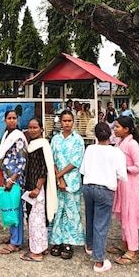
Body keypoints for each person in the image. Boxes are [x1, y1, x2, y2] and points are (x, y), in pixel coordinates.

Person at [80, 122, 128, 273]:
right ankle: (99, 261)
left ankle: (90, 246)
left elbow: (83, 169)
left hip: (88, 186)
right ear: (110, 134)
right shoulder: (117, 152)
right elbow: (121, 174)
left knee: (90, 217)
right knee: (101, 224)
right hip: (105, 188)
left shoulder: (90, 149)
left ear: (95, 135)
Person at [111, 116, 139, 265]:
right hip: (121, 184)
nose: (115, 129)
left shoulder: (132, 144)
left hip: (129, 186)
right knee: (123, 216)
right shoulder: (120, 142)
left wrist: (123, 169)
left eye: (118, 127)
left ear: (127, 129)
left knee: (130, 217)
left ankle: (132, 251)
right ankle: (125, 245)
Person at [20, 118, 58, 262]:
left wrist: (37, 187)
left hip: (37, 189)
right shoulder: (32, 144)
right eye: (30, 127)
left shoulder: (42, 145)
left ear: (41, 129)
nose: (32, 130)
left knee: (36, 220)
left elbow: (44, 168)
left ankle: (36, 253)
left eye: (35, 127)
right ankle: (42, 246)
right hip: (31, 186)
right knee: (37, 218)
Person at [48, 110, 85, 259]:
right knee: (58, 211)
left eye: (69, 121)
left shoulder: (78, 140)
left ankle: (69, 242)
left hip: (72, 180)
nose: (67, 123)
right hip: (57, 180)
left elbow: (76, 161)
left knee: (71, 212)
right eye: (64, 121)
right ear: (60, 122)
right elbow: (52, 158)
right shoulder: (55, 139)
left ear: (73, 122)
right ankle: (57, 240)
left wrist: (61, 176)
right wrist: (58, 178)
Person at [0, 110, 28, 255]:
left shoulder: (18, 137)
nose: (12, 120)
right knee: (9, 207)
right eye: (9, 118)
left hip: (15, 179)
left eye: (14, 118)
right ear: (4, 120)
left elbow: (22, 161)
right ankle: (12, 235)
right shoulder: (6, 135)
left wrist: (12, 179)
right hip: (6, 177)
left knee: (16, 209)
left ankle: (16, 242)